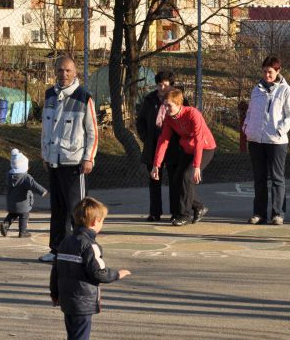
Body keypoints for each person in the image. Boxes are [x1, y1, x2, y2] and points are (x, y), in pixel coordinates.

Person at [39, 56, 98, 263]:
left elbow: (92, 132)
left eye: (68, 71)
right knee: (58, 210)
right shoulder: (49, 95)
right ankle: (57, 250)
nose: (63, 75)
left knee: (78, 210)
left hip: (75, 163)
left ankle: (84, 250)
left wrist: (88, 157)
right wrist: (45, 154)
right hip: (54, 161)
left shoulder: (84, 97)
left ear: (75, 72)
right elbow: (46, 128)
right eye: (60, 71)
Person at [50, 197, 131, 340]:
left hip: (67, 298)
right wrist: (117, 274)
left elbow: (55, 271)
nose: (102, 224)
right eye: (102, 221)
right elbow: (98, 272)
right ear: (95, 222)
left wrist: (55, 293)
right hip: (82, 301)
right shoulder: (90, 246)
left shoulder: (65, 242)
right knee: (81, 335)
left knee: (73, 334)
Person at [242, 57, 290, 225]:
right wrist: (247, 128)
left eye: (270, 72)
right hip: (256, 140)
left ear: (278, 71)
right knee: (259, 178)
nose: (267, 75)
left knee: (277, 178)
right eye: (265, 71)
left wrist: (280, 130)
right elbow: (250, 111)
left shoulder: (286, 91)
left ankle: (278, 213)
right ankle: (259, 213)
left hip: (276, 142)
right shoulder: (256, 90)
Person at [150, 88, 216, 226]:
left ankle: (184, 215)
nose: (166, 108)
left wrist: (197, 166)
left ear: (179, 104)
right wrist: (157, 164)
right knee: (177, 178)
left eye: (169, 105)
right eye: (165, 105)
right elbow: (163, 141)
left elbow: (199, 139)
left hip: (205, 148)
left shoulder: (192, 113)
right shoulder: (169, 118)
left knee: (186, 176)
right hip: (188, 149)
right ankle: (199, 207)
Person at [136, 71, 184, 221]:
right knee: (154, 179)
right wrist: (146, 137)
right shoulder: (150, 99)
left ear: (171, 85)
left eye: (165, 84)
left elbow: (185, 117)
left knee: (174, 180)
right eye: (159, 84)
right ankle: (155, 212)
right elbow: (141, 121)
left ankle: (176, 212)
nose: (162, 87)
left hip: (173, 146)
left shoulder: (179, 99)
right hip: (153, 144)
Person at [0, 149, 48, 238]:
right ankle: (23, 232)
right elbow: (34, 185)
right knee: (24, 216)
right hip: (23, 203)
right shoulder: (26, 177)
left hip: (11, 202)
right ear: (23, 166)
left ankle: (5, 224)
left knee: (12, 214)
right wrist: (43, 191)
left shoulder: (9, 175)